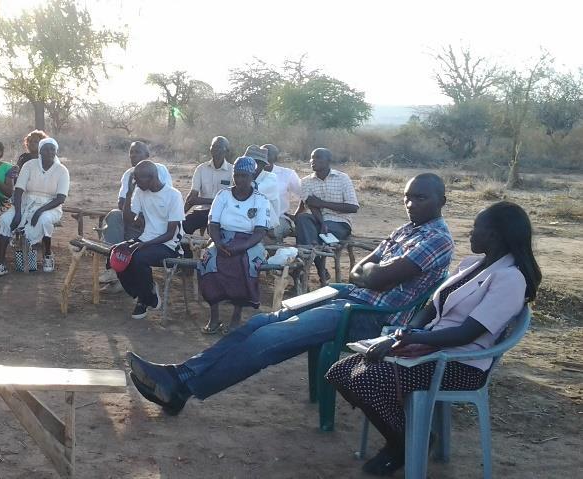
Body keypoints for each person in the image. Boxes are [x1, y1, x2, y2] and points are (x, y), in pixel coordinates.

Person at [126, 174, 454, 416]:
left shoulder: (438, 239)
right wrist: (368, 275)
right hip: (352, 296)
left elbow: (379, 276)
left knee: (268, 339)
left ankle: (181, 386)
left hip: (370, 319)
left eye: (420, 198)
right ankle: (181, 377)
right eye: (407, 197)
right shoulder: (407, 230)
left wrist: (370, 274)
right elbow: (364, 272)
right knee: (259, 324)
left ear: (441, 200)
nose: (411, 204)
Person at [326, 201, 541, 476]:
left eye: (477, 228)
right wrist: (404, 333)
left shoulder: (510, 279)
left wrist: (410, 338)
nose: (470, 234)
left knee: (366, 380)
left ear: (496, 235)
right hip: (429, 347)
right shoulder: (472, 264)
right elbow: (431, 307)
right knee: (341, 372)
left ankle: (408, 443)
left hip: (460, 363)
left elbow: (468, 333)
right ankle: (404, 440)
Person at [198, 156, 275, 334]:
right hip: (222, 238)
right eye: (236, 175)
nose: (239, 180)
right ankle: (214, 316)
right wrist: (217, 243)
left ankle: (236, 315)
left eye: (243, 176)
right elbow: (213, 224)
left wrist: (240, 247)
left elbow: (260, 232)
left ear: (251, 177)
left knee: (245, 263)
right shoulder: (222, 195)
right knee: (208, 261)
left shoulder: (260, 200)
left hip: (249, 241)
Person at [114, 160, 185, 319]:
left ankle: (144, 300)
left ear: (152, 177)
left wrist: (144, 244)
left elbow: (170, 234)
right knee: (117, 254)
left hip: (168, 245)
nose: (135, 182)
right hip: (146, 240)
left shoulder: (173, 195)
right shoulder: (140, 192)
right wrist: (128, 194)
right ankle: (146, 292)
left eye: (138, 179)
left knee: (138, 258)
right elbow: (128, 219)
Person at [0, 137, 69, 275]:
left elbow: (60, 198)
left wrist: (39, 211)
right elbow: (18, 190)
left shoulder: (62, 170)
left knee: (44, 220)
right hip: (25, 202)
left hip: (50, 206)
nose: (50, 152)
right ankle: (1, 263)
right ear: (40, 151)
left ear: (56, 151)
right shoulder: (29, 165)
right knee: (4, 220)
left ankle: (47, 256)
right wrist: (17, 212)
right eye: (46, 149)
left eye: (53, 149)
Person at [294, 147, 359, 285]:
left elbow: (353, 207)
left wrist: (322, 203)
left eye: (318, 157)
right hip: (318, 221)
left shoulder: (342, 178)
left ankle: (313, 272)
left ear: (328, 161)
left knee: (312, 239)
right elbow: (312, 205)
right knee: (302, 219)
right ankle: (319, 269)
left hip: (340, 221)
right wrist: (322, 223)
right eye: (312, 157)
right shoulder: (306, 181)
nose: (313, 161)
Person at [184, 136, 233, 234]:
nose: (215, 150)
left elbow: (231, 200)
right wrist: (180, 214)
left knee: (219, 234)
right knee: (182, 227)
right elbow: (192, 197)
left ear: (226, 151)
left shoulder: (233, 171)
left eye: (219, 147)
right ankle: (189, 250)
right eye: (213, 146)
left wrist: (201, 201)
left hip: (223, 213)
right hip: (203, 212)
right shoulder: (201, 169)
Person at [262, 143, 302, 239]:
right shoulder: (251, 174)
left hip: (280, 219)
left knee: (267, 236)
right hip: (254, 219)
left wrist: (297, 214)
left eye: (268, 154)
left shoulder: (287, 174)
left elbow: (304, 195)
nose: (265, 157)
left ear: (275, 158)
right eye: (262, 153)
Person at [242, 144, 280, 222]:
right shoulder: (244, 177)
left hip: (268, 223)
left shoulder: (271, 178)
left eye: (253, 163)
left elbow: (249, 191)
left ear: (262, 165)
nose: (249, 166)